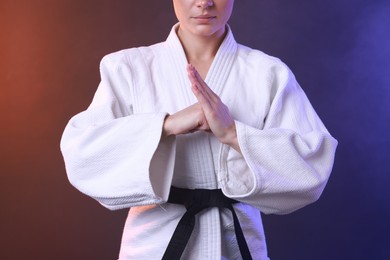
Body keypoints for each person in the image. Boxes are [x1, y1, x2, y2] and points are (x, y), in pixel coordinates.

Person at [60, 0, 338, 259]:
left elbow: (312, 167)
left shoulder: (268, 73)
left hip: (238, 244)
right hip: (154, 246)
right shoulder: (127, 68)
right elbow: (83, 156)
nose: (204, 2)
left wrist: (233, 133)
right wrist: (165, 126)